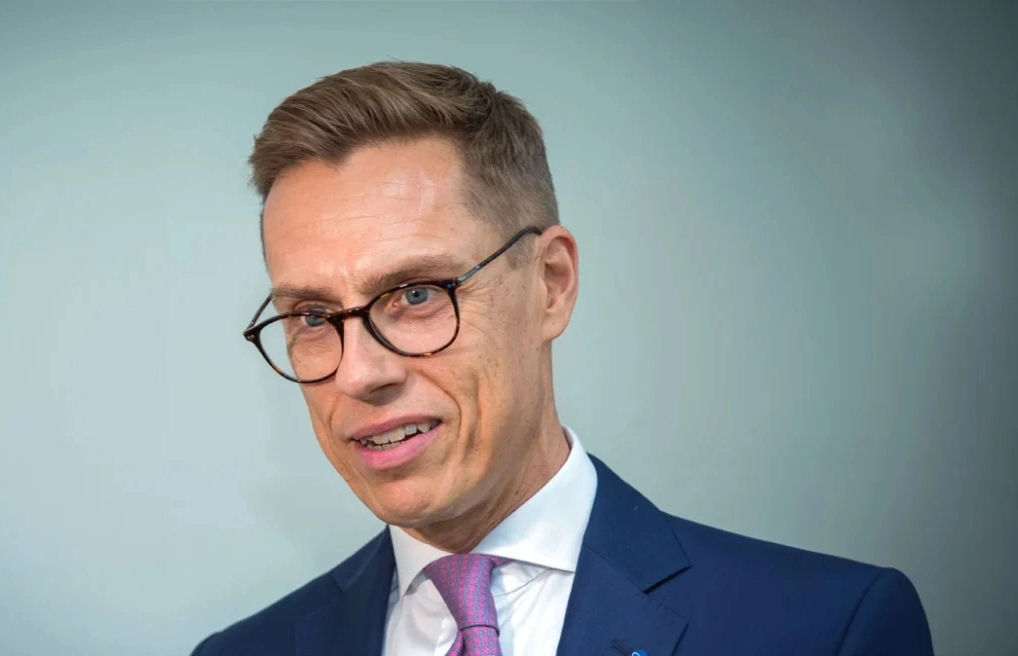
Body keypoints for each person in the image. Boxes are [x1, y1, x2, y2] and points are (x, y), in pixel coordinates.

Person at [191, 61, 933, 656]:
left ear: (550, 284)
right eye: (313, 317)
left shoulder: (827, 629)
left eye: (416, 295)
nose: (359, 373)